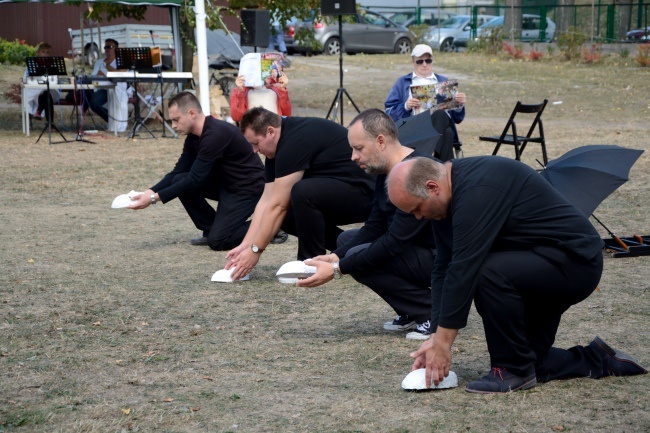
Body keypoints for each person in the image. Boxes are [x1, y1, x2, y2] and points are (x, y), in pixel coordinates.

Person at [386, 156, 648, 394]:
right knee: (535, 361)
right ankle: (598, 359)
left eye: (417, 209)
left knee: (486, 272)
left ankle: (511, 370)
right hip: (532, 264)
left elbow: (463, 268)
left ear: (433, 187)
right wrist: (434, 337)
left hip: (572, 263)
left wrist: (444, 344)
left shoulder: (478, 189)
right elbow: (443, 267)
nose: (418, 217)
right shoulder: (448, 198)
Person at [296, 109, 436, 340]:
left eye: (358, 148)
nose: (353, 156)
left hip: (439, 257)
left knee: (360, 255)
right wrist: (336, 256)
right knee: (346, 241)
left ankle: (429, 311)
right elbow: (374, 226)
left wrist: (338, 269)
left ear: (380, 141)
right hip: (414, 250)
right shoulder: (386, 171)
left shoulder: (415, 172)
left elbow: (394, 242)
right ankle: (409, 309)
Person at [226, 107, 375, 281]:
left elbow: (278, 205)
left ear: (270, 132)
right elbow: (266, 201)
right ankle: (352, 250)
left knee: (301, 192)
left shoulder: (294, 141)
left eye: (256, 143)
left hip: (367, 195)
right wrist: (246, 244)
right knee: (289, 216)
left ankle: (309, 263)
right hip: (339, 192)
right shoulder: (276, 150)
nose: (254, 150)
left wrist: (256, 250)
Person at [128, 91, 265, 251]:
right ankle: (210, 227)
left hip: (248, 189)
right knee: (179, 179)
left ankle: (272, 226)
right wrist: (149, 191)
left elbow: (195, 179)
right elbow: (177, 172)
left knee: (219, 241)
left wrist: (153, 199)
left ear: (191, 113)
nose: (173, 126)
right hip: (227, 185)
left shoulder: (215, 134)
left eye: (176, 120)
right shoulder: (194, 136)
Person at [384, 44, 466, 145]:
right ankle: (439, 158)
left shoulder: (443, 82)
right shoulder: (402, 82)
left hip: (440, 126)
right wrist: (406, 106)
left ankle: (432, 154)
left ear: (432, 60)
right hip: (413, 128)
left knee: (444, 124)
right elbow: (388, 113)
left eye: (428, 61)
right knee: (446, 132)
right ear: (413, 62)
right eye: (420, 61)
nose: (424, 64)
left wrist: (459, 105)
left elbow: (457, 119)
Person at [89, 38, 128, 131]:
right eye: (105, 47)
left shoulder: (121, 61)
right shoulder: (99, 61)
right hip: (98, 88)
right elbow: (93, 76)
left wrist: (107, 67)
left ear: (116, 49)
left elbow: (121, 73)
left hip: (113, 88)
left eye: (109, 47)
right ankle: (112, 120)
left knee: (95, 102)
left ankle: (114, 121)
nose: (107, 49)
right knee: (86, 100)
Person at [23, 42, 60, 124]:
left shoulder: (53, 64)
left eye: (47, 52)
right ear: (38, 52)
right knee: (47, 96)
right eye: (43, 51)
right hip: (35, 91)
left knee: (47, 93)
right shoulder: (32, 64)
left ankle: (39, 111)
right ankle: (50, 123)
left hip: (50, 89)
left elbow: (55, 79)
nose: (45, 54)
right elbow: (26, 79)